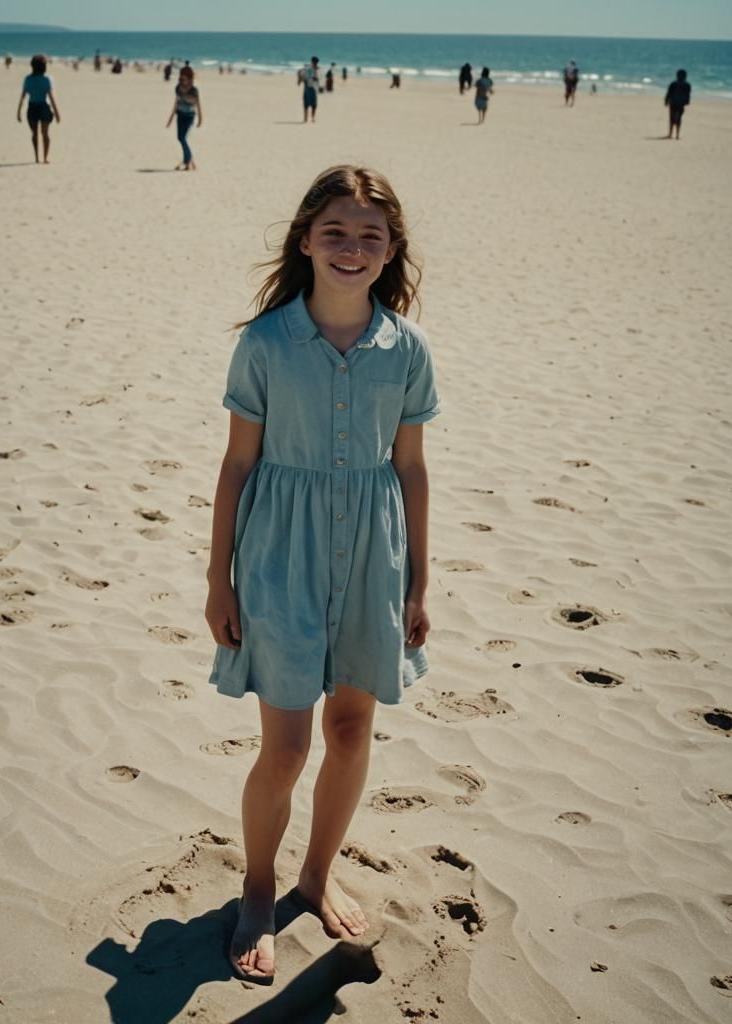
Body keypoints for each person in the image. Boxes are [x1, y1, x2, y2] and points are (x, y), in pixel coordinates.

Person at [207, 164, 439, 983]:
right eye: (334, 232)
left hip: (373, 556)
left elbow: (409, 467)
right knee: (287, 746)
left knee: (349, 732)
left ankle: (316, 872)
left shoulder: (405, 348)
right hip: (279, 558)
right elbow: (238, 464)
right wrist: (218, 580)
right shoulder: (267, 342)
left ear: (390, 252)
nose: (351, 248)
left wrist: (416, 581)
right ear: (305, 240)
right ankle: (260, 887)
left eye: (369, 236)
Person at [17, 54, 61, 163]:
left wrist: (18, 111)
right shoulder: (46, 79)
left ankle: (37, 157)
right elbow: (51, 97)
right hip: (44, 107)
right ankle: (45, 158)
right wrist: (57, 113)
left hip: (32, 107)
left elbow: (23, 97)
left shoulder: (28, 79)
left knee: (34, 134)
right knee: (45, 133)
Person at [165, 65, 201, 170]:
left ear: (189, 79)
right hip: (180, 114)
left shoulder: (194, 90)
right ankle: (189, 161)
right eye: (180, 78)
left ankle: (187, 160)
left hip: (190, 116)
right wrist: (170, 118)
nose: (181, 80)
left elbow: (197, 104)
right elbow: (176, 103)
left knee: (183, 138)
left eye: (183, 79)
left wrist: (200, 119)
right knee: (180, 138)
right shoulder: (178, 88)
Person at [665, 69, 691, 140]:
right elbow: (688, 95)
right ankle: (677, 134)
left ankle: (671, 134)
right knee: (678, 118)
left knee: (672, 118)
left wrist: (666, 101)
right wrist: (687, 102)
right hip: (680, 104)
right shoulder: (687, 85)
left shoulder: (674, 84)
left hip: (673, 103)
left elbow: (668, 93)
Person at [300, 56, 319, 122]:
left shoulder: (317, 69)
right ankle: (305, 118)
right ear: (312, 62)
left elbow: (319, 79)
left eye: (316, 63)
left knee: (314, 104)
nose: (315, 63)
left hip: (314, 88)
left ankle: (312, 118)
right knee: (306, 103)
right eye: (314, 62)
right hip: (308, 87)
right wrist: (311, 79)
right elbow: (303, 76)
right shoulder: (308, 68)